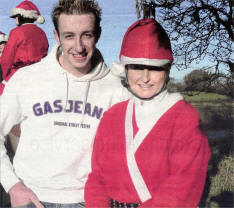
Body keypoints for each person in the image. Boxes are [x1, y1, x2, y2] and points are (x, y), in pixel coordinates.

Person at [0, 0, 128, 208]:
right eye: (69, 36)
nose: (78, 47)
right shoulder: (26, 79)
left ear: (98, 34)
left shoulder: (115, 88)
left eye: (86, 35)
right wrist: (12, 185)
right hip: (32, 198)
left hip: (89, 201)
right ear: (56, 36)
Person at [85, 18, 211, 207]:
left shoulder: (185, 118)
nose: (145, 78)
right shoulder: (113, 115)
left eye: (154, 68)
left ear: (166, 71)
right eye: (136, 67)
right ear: (126, 70)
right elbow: (97, 176)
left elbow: (181, 189)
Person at [0, 0, 49, 95]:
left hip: (18, 74)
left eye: (16, 18)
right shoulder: (42, 32)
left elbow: (6, 58)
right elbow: (45, 52)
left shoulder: (16, 32)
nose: (15, 21)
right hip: (38, 75)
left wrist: (6, 77)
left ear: (22, 16)